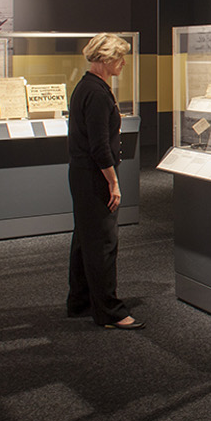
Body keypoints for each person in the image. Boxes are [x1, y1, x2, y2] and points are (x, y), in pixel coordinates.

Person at [66, 33, 142, 329]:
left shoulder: (86, 86)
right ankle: (109, 311)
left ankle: (81, 301)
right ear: (107, 59)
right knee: (102, 243)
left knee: (85, 240)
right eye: (120, 58)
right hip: (95, 177)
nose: (123, 63)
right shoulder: (97, 93)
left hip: (83, 174)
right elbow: (99, 146)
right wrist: (113, 182)